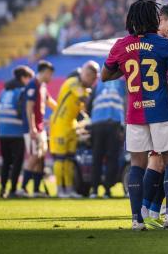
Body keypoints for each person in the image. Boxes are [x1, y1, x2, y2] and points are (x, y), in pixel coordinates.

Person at [101, 0, 168, 231]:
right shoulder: (165, 45)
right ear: (154, 19)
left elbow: (105, 76)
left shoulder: (120, 45)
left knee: (137, 165)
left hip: (136, 114)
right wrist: (166, 78)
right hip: (161, 112)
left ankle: (137, 219)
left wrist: (126, 70)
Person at [141, 3, 168, 224]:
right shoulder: (164, 45)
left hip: (142, 109)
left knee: (157, 161)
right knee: (162, 161)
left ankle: (150, 211)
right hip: (160, 110)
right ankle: (151, 211)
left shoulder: (141, 41)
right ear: (160, 19)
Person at [49, 61, 100, 198]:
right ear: (86, 74)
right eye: (93, 79)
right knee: (60, 159)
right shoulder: (73, 82)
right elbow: (84, 97)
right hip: (60, 124)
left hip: (71, 125)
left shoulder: (83, 88)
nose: (93, 82)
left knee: (70, 160)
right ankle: (60, 190)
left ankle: (70, 190)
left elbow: (83, 110)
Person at [0, 66, 34, 198]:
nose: (30, 81)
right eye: (29, 78)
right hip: (16, 132)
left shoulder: (4, 91)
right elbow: (21, 111)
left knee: (6, 161)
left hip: (2, 132)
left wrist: (0, 126)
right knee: (17, 161)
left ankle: (2, 189)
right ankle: (13, 190)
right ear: (23, 78)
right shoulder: (22, 90)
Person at [22, 60, 56, 197]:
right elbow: (29, 108)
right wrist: (32, 128)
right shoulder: (33, 85)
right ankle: (23, 188)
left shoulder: (42, 86)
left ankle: (36, 190)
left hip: (40, 126)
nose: (51, 78)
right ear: (45, 72)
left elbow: (51, 103)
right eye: (50, 74)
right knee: (36, 155)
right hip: (33, 128)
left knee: (40, 156)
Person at [88, 78, 126, 198]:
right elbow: (126, 102)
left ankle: (94, 190)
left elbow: (89, 104)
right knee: (112, 158)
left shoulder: (98, 83)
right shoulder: (122, 84)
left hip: (97, 123)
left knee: (97, 157)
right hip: (114, 123)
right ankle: (107, 190)